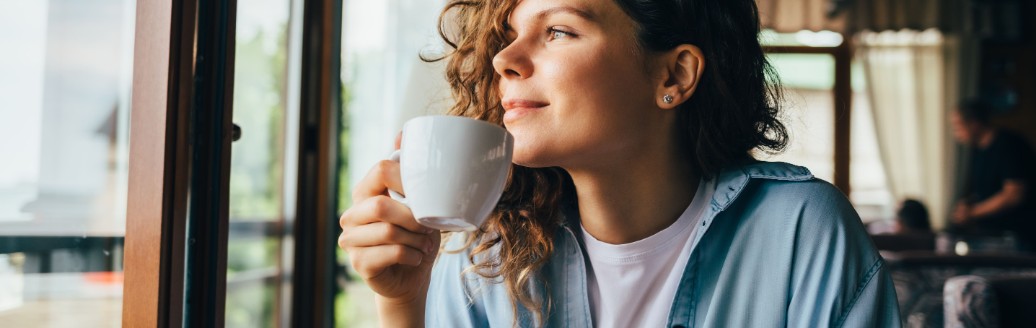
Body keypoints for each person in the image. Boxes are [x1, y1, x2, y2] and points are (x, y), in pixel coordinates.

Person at [338, 0, 901, 326]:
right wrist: (402, 303)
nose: (504, 59)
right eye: (511, 35)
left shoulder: (802, 231)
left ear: (673, 76)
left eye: (558, 30)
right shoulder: (489, 257)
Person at [950, 100, 1036, 249]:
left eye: (958, 126)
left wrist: (972, 213)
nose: (955, 133)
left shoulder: (1009, 144)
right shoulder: (977, 150)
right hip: (991, 234)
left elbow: (1014, 194)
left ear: (974, 123)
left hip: (1017, 237)